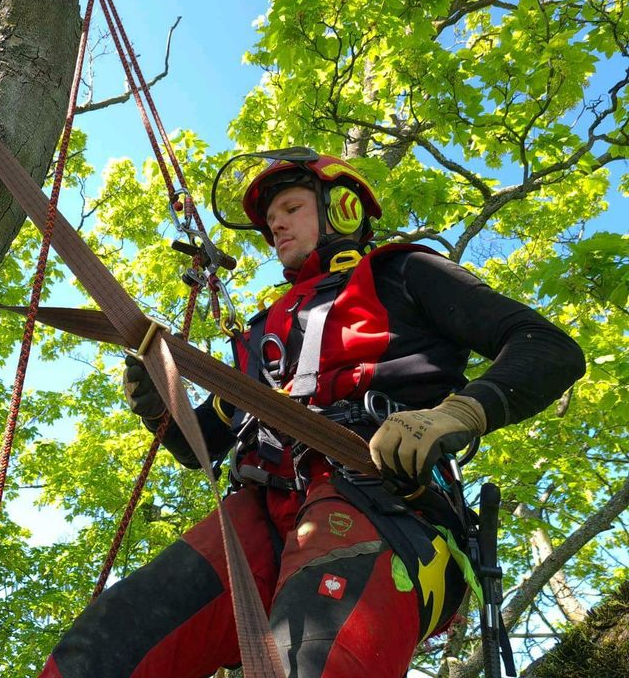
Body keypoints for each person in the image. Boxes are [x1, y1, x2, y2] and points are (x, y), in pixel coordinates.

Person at [38, 148, 585, 678]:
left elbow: (546, 346)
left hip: (379, 498)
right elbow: (199, 444)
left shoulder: (402, 272)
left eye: (290, 209)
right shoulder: (262, 336)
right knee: (95, 654)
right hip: (260, 509)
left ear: (343, 208)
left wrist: (457, 413)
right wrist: (163, 406)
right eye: (270, 220)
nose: (275, 227)